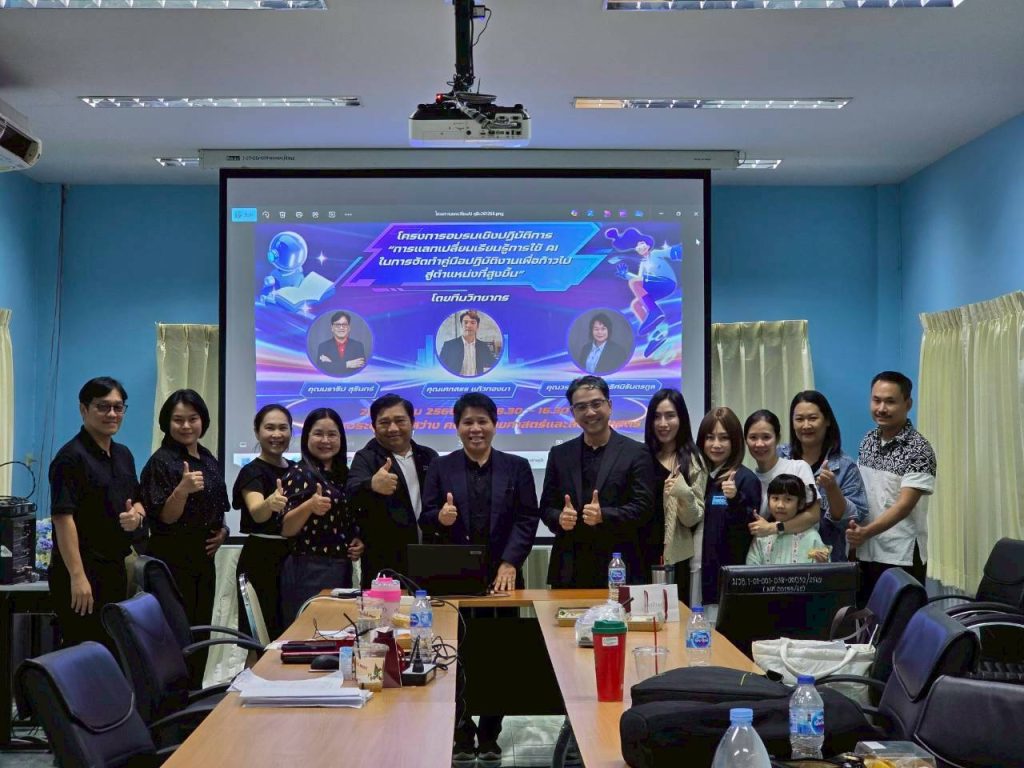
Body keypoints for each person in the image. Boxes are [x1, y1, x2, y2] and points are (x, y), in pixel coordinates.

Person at [419, 392, 540, 768]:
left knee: (499, 655)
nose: (476, 429)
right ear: (457, 427)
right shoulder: (440, 467)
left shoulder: (517, 466)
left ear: (494, 425)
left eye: (482, 421)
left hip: (504, 579)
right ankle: (460, 731)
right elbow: (426, 515)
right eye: (468, 422)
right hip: (454, 580)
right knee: (453, 655)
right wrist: (440, 519)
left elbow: (527, 518)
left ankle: (490, 733)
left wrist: (510, 563)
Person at [48, 377, 146, 655]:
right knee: (84, 652)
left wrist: (137, 515)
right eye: (103, 407)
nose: (112, 414)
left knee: (113, 649)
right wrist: (77, 577)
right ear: (84, 409)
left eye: (118, 407)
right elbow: (63, 519)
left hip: (115, 568)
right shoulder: (70, 458)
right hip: (81, 571)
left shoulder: (123, 454)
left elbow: (139, 500)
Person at [140, 389, 230, 684]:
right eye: (178, 420)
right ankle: (177, 706)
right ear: (167, 423)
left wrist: (224, 532)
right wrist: (181, 490)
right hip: (172, 565)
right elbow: (165, 517)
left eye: (193, 419)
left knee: (200, 635)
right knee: (178, 640)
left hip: (203, 563)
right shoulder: (161, 462)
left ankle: (196, 697)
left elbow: (218, 508)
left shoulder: (207, 457)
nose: (186, 426)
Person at [541, 375, 653, 588]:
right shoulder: (560, 454)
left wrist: (604, 515)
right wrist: (559, 518)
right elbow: (546, 507)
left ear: (609, 406)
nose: (590, 412)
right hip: (569, 568)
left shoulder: (636, 452)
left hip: (619, 565)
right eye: (581, 407)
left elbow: (644, 508)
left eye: (596, 404)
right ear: (572, 412)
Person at [851, 372, 936, 604]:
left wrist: (866, 532)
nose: (881, 408)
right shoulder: (868, 441)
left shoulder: (919, 449)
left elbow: (904, 506)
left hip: (901, 556)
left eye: (890, 401)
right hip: (866, 551)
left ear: (908, 404)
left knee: (900, 621)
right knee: (865, 619)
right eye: (876, 400)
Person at [279, 408, 363, 621]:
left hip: (341, 567)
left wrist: (357, 539)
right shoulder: (298, 474)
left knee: (337, 630)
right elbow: (286, 528)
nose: (326, 440)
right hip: (309, 569)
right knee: (310, 632)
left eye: (332, 434)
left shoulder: (343, 475)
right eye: (318, 434)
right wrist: (309, 506)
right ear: (306, 437)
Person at [347, 394, 438, 587]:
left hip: (428, 557)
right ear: (374, 426)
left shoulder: (429, 456)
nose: (393, 428)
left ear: (412, 422)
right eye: (384, 422)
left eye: (400, 421)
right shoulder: (365, 457)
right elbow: (351, 493)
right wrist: (371, 485)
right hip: (384, 563)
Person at [781, 390, 868, 562]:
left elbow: (853, 518)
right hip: (782, 558)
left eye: (813, 418)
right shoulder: (780, 457)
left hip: (827, 561)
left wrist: (832, 488)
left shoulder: (845, 466)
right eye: (799, 419)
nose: (806, 425)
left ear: (827, 420)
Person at [232, 404, 295, 641]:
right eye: (270, 428)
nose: (277, 434)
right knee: (260, 641)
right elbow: (257, 512)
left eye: (283, 428)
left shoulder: (296, 469)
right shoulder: (252, 471)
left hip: (292, 559)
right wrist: (270, 503)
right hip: (262, 560)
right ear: (257, 432)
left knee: (289, 636)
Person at [641, 388, 707, 605]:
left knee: (672, 615)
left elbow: (692, 519)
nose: (663, 423)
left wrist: (683, 491)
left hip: (675, 557)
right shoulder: (641, 456)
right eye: (657, 417)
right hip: (640, 551)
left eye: (670, 416)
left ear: (682, 418)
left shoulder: (693, 460)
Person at [696, 406, 761, 610]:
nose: (716, 444)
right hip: (695, 573)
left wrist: (735, 499)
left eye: (724, 438)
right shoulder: (699, 476)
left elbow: (748, 530)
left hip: (724, 583)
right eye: (710, 437)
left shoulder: (745, 479)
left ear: (735, 441)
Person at [743, 409, 821, 539]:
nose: (759, 444)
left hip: (803, 549)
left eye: (766, 437)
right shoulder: (749, 480)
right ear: (746, 440)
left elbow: (813, 515)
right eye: (753, 437)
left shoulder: (798, 468)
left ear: (777, 438)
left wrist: (774, 528)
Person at [746, 474, 829, 565]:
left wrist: (822, 563)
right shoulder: (762, 536)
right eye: (775, 498)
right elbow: (751, 567)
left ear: (801, 503)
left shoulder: (812, 537)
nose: (780, 505)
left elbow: (825, 569)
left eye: (788, 499)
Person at [438, 309, 498, 377]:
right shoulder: (449, 346)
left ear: (477, 327)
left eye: (473, 322)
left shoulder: (483, 346)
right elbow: (440, 369)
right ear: (461, 325)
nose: (469, 325)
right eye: (465, 322)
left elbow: (494, 365)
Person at [315, 310, 366, 376]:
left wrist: (332, 364)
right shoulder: (323, 346)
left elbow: (361, 372)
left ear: (349, 328)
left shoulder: (358, 346)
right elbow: (322, 369)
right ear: (332, 328)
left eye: (344, 324)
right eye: (337, 325)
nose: (341, 328)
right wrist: (347, 364)